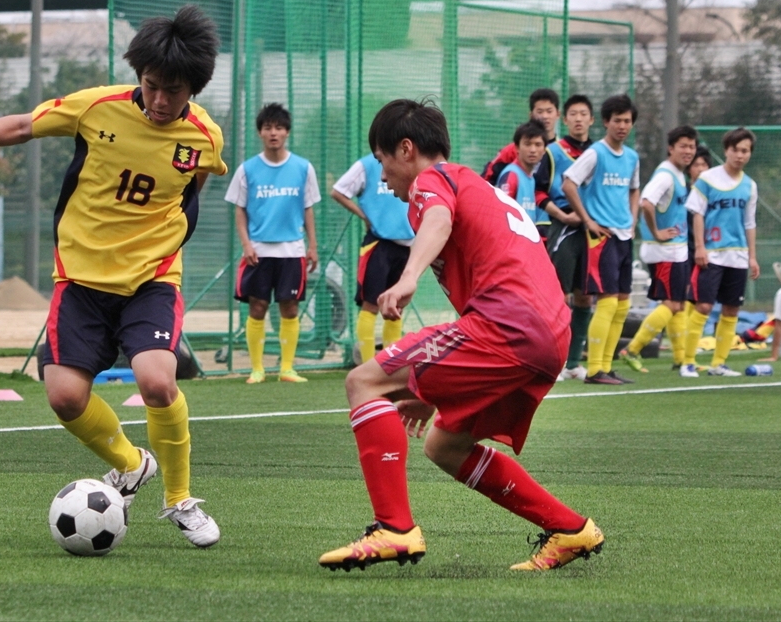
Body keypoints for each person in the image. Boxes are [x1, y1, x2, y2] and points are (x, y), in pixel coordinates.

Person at [0, 5, 225, 547]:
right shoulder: (97, 106)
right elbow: (24, 125)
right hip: (79, 280)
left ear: (194, 87)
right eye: (151, 86)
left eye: (175, 90)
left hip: (152, 280)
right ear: (138, 77)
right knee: (65, 397)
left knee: (157, 380)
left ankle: (179, 499)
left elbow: (197, 187)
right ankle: (129, 463)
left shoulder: (205, 138)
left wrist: (168, 238)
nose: (161, 100)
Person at [318, 99, 604, 573]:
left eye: (382, 160)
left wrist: (408, 276)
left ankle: (394, 528)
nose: (382, 176)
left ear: (406, 149)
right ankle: (570, 529)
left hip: (509, 325)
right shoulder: (477, 186)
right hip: (545, 335)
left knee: (364, 382)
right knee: (443, 444)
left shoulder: (435, 182)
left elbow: (438, 220)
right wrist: (432, 391)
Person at [225, 103, 320, 383]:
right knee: (257, 307)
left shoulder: (303, 168)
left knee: (290, 308)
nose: (273, 133)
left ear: (287, 132)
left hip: (292, 249)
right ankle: (257, 369)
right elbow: (239, 209)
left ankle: (287, 368)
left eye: (279, 127)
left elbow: (308, 209)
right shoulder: (247, 169)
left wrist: (312, 245)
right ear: (260, 133)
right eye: (268, 128)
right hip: (259, 250)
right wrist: (246, 244)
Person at [562, 94, 640, 385]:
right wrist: (587, 219)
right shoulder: (596, 153)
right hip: (601, 237)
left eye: (627, 121)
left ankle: (606, 367)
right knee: (606, 302)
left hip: (624, 235)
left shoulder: (631, 157)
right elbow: (569, 183)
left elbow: (634, 190)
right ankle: (594, 369)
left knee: (622, 304)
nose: (622, 126)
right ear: (606, 122)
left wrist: (632, 219)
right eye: (617, 120)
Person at [682, 127, 761, 376]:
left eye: (745, 151)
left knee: (731, 310)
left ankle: (719, 364)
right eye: (736, 149)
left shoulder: (750, 186)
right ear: (726, 150)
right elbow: (697, 214)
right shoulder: (708, 179)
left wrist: (752, 256)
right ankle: (687, 362)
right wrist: (701, 247)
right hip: (712, 254)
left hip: (737, 257)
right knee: (703, 306)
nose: (740, 155)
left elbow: (749, 223)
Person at [619, 125, 698, 375]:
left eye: (692, 146)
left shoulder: (678, 175)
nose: (688, 151)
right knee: (672, 305)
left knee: (679, 304)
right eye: (683, 146)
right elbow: (646, 203)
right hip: (664, 252)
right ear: (671, 148)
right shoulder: (665, 175)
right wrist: (656, 233)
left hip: (676, 251)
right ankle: (631, 349)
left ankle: (680, 359)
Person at [331, 149, 414, 363]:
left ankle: (391, 365)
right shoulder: (366, 165)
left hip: (408, 246)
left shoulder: (409, 163)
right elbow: (338, 191)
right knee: (371, 305)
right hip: (377, 245)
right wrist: (364, 216)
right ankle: (367, 366)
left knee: (397, 307)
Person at [536, 95, 595, 381]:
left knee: (586, 296)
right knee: (559, 295)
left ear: (592, 119)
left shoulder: (600, 152)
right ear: (565, 118)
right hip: (566, 225)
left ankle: (573, 362)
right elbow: (539, 192)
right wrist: (561, 215)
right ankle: (553, 361)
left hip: (594, 229)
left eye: (584, 114)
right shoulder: (553, 152)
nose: (579, 119)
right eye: (574, 114)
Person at [669, 146, 714, 370]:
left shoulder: (713, 192)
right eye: (696, 164)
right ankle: (680, 356)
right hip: (683, 252)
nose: (700, 168)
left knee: (691, 302)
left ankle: (683, 356)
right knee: (678, 301)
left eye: (704, 164)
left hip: (703, 252)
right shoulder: (683, 191)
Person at [481, 88, 560, 187]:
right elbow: (487, 177)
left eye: (549, 111)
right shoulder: (512, 150)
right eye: (540, 112)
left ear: (558, 114)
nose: (544, 116)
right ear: (531, 115)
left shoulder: (561, 151)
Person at [496, 121, 550, 236]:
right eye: (527, 144)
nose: (533, 150)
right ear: (517, 147)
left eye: (538, 144)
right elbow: (501, 213)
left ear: (545, 149)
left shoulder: (531, 178)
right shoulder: (511, 174)